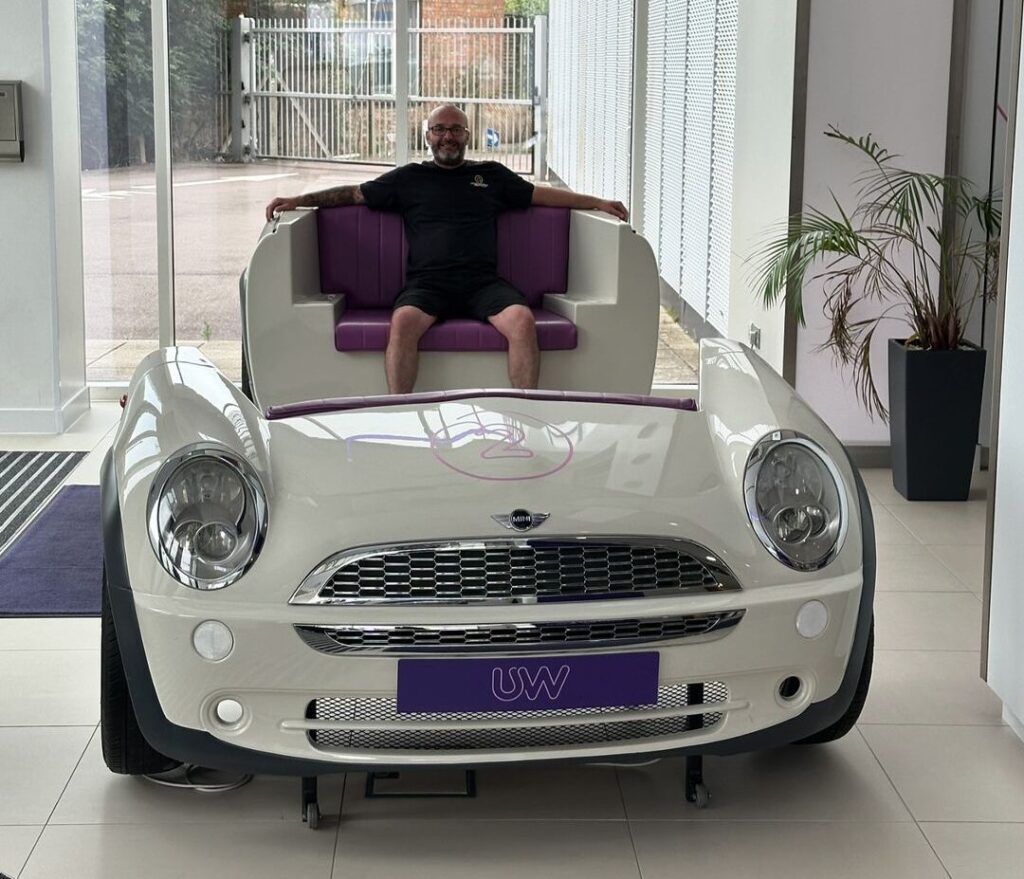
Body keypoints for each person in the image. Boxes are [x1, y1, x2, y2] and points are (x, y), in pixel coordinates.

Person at [265, 104, 628, 394]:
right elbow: (352, 194)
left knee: (521, 321)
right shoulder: (409, 178)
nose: (447, 136)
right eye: (439, 129)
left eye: (455, 129)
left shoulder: (491, 175)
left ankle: (526, 413)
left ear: (467, 135)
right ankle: (401, 410)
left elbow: (540, 195)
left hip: (482, 283)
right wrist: (299, 199)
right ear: (428, 136)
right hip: (428, 283)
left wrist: (594, 202)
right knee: (403, 321)